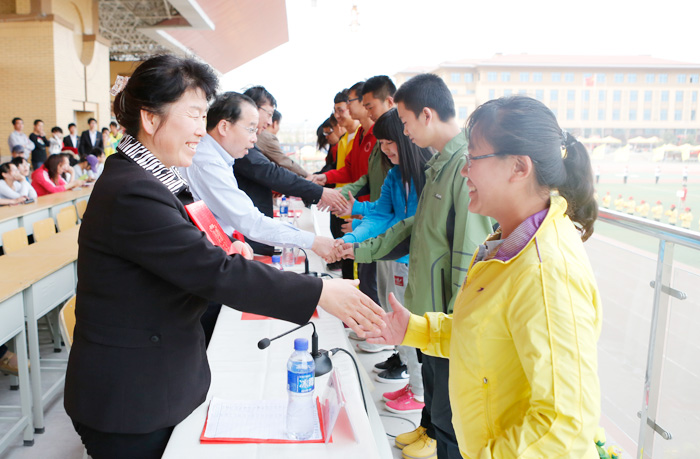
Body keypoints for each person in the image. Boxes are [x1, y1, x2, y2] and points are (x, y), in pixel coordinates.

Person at [64, 54, 385, 459]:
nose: (202, 131)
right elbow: (216, 273)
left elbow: (185, 255)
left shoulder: (149, 176)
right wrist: (318, 291)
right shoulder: (134, 189)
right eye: (195, 115)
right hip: (132, 398)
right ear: (150, 119)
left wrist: (219, 248)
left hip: (155, 379)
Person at [367, 95, 602, 458]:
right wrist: (413, 329)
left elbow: (564, 427)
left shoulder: (545, 273)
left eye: (473, 158)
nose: (464, 171)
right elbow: (484, 335)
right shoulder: (508, 242)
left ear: (519, 168)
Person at [334, 74, 494, 459]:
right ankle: (430, 431)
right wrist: (360, 250)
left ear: (426, 115)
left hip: (448, 318)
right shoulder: (441, 164)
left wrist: (460, 325)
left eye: (403, 122)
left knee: (451, 412)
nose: (403, 132)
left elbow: (469, 257)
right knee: (435, 395)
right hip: (431, 314)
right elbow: (414, 228)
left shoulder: (462, 167)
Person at [179, 91, 338, 343]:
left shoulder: (219, 157)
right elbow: (250, 221)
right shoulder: (206, 161)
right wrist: (313, 241)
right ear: (223, 126)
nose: (255, 139)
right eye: (251, 129)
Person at [330, 108, 433, 412]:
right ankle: (412, 385)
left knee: (410, 327)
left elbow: (405, 222)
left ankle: (418, 392)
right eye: (382, 144)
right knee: (395, 320)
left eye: (391, 143)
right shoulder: (394, 174)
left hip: (410, 262)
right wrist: (349, 241)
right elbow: (381, 213)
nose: (386, 150)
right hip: (389, 255)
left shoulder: (427, 176)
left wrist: (359, 242)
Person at [233, 86, 347, 255]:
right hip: (247, 236)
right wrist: (317, 190)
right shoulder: (240, 143)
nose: (270, 122)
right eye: (269, 114)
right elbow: (271, 171)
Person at [256, 109, 309, 177]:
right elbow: (284, 161)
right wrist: (306, 175)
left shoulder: (258, 134)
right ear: (275, 124)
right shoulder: (268, 137)